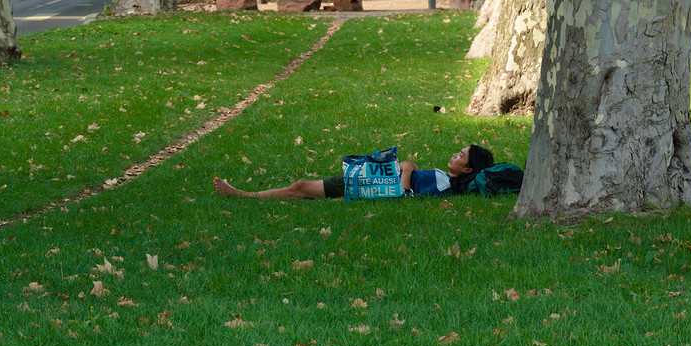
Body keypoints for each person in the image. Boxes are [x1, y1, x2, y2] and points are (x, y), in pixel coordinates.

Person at [213, 144, 497, 200]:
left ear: (468, 169)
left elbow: (405, 194)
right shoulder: (446, 179)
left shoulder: (446, 187)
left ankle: (243, 195)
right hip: (375, 177)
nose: (455, 154)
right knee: (304, 187)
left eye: (461, 156)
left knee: (301, 187)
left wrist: (408, 168)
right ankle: (245, 194)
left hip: (372, 184)